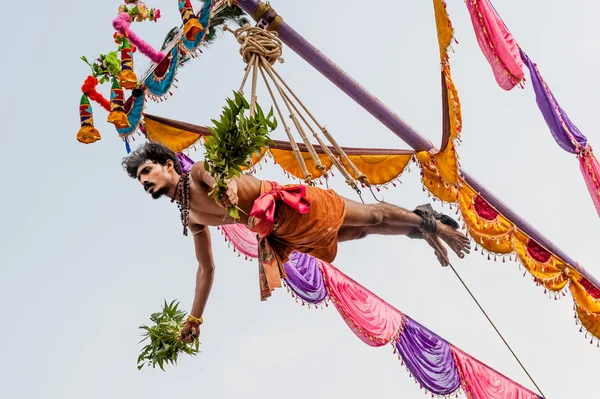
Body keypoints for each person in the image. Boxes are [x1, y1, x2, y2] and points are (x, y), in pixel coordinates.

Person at [122, 142, 471, 343]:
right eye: (140, 180)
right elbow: (205, 269)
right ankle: (420, 227)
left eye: (145, 172)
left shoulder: (197, 171)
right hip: (284, 234)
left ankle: (430, 223)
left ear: (168, 165)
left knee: (371, 217)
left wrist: (226, 188)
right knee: (362, 232)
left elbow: (221, 179)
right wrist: (194, 319)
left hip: (291, 205)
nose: (144, 182)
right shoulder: (191, 218)